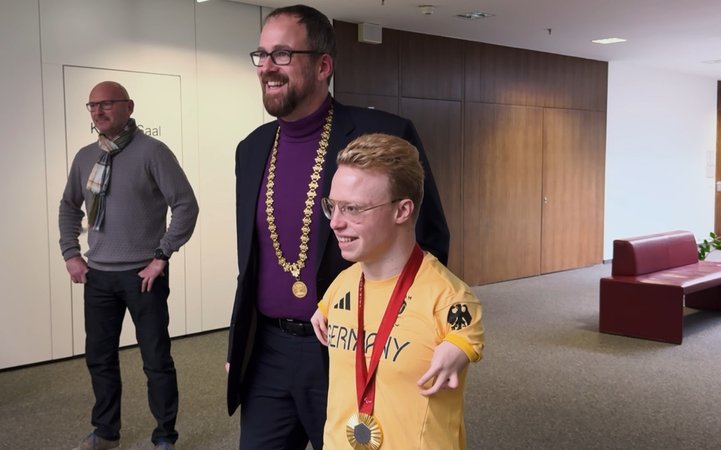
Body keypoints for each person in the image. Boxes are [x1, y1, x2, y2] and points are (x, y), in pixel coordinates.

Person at [226, 5, 450, 449]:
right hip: (268, 353)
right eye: (262, 54)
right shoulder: (251, 150)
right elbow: (253, 262)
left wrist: (424, 337)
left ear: (323, 65)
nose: (267, 67)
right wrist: (240, 345)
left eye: (283, 54)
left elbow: (431, 241)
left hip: (354, 348)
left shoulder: (383, 134)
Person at [311, 133, 484, 449]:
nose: (335, 222)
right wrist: (321, 311)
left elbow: (467, 334)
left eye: (352, 209)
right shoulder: (342, 285)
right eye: (332, 206)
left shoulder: (449, 297)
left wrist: (457, 349)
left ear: (402, 211)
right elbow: (334, 306)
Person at [59, 81, 198, 450]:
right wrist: (71, 253)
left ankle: (165, 436)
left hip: (143, 276)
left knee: (156, 360)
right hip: (98, 275)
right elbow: (70, 205)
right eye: (92, 106)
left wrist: (162, 256)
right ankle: (106, 432)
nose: (98, 112)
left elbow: (185, 205)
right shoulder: (86, 156)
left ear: (129, 107)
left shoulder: (153, 152)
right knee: (100, 359)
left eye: (107, 104)